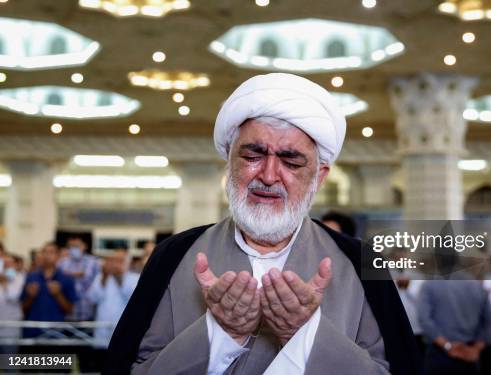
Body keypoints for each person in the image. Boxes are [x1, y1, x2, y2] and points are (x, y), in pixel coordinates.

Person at [105, 73, 420, 375]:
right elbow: (130, 367)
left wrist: (304, 335)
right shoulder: (175, 255)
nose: (269, 176)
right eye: (253, 155)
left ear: (319, 176)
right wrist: (220, 333)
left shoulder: (360, 261)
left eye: (291, 161)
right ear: (229, 162)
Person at [418, 265, 491, 375]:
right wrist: (477, 349)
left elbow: (424, 319)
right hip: (470, 354)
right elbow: (490, 321)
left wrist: (447, 346)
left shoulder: (430, 285)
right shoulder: (476, 285)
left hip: (440, 355)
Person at [86, 248, 139, 371]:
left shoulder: (135, 278)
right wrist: (104, 277)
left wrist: (119, 278)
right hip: (102, 333)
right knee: (101, 367)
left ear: (128, 263)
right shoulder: (101, 277)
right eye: (114, 260)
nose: (116, 264)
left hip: (124, 334)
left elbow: (133, 299)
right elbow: (92, 298)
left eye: (120, 261)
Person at [20, 242, 77, 338]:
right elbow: (22, 308)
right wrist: (30, 297)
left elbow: (70, 310)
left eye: (51, 252)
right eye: (44, 252)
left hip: (56, 335)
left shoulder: (66, 278)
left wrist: (58, 295)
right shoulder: (30, 277)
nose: (47, 255)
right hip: (32, 333)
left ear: (58, 256)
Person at [58, 236, 100, 322]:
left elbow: (99, 284)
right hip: (66, 314)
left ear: (85, 246)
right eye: (71, 247)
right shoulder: (61, 263)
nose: (74, 249)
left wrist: (70, 274)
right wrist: (76, 275)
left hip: (88, 312)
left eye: (76, 246)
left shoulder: (94, 262)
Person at [0, 254, 25, 354]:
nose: (6, 266)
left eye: (9, 263)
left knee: (9, 362)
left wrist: (5, 284)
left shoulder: (19, 278)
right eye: (4, 263)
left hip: (11, 326)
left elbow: (15, 297)